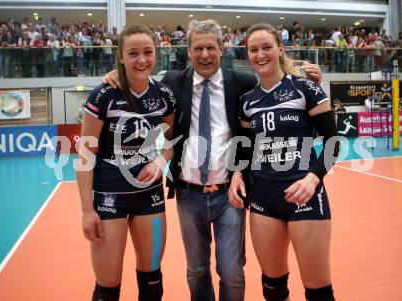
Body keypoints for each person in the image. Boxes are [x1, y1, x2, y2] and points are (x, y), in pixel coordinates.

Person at [102, 19, 323, 301]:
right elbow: (137, 74)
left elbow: (276, 79)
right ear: (188, 52)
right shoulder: (172, 82)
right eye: (198, 48)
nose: (204, 55)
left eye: (210, 47)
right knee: (196, 270)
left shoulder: (242, 82)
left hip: (230, 192)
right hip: (188, 193)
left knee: (231, 271)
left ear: (222, 48)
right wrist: (115, 73)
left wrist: (308, 80)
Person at [228, 23, 338, 301]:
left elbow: (333, 142)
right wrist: (238, 173)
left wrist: (313, 178)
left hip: (305, 195)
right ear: (248, 54)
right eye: (254, 49)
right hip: (264, 197)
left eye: (267, 47)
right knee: (273, 287)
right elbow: (245, 146)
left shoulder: (305, 88)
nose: (261, 54)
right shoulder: (247, 101)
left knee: (318, 290)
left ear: (280, 49)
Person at [76, 24, 176, 301]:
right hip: (110, 198)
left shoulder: (164, 95)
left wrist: (159, 160)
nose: (141, 60)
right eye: (133, 53)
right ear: (120, 56)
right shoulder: (103, 94)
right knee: (107, 288)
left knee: (152, 282)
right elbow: (85, 155)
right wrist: (86, 210)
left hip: (149, 198)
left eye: (147, 52)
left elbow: (171, 142)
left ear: (156, 55)